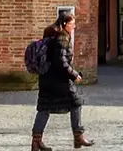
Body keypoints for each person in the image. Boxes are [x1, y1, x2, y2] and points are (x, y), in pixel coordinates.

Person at [31, 13, 93, 150]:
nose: (74, 26)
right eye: (72, 24)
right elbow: (61, 61)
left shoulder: (51, 35)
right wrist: (74, 74)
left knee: (44, 108)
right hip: (59, 81)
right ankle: (78, 137)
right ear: (65, 24)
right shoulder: (62, 38)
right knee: (76, 103)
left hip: (46, 79)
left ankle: (36, 141)